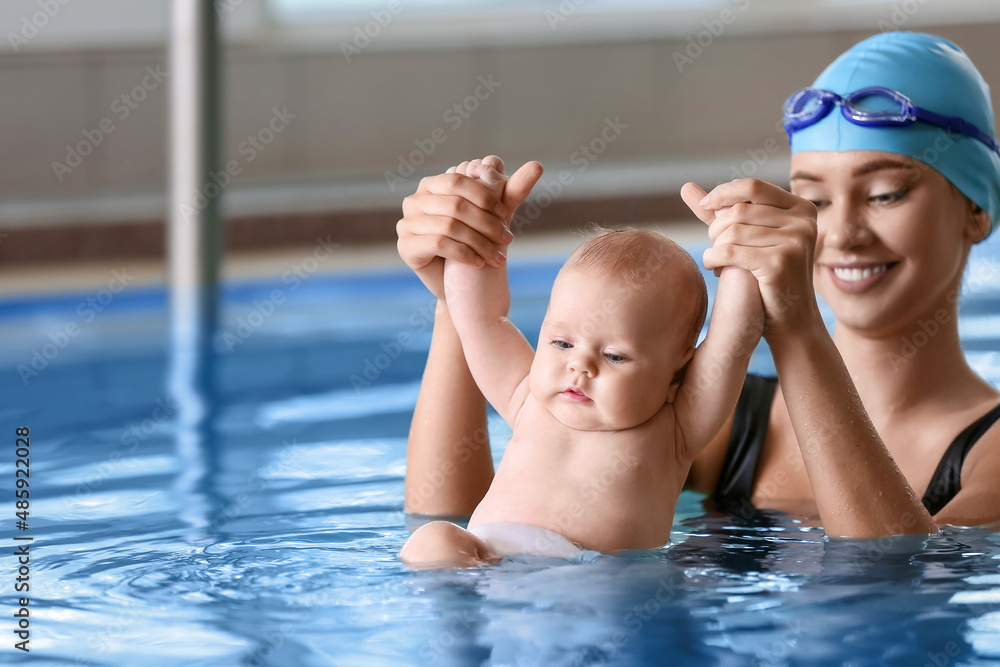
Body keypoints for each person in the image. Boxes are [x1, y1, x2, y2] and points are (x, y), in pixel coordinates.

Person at [396, 32, 1000, 539]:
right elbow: (455, 520)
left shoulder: (989, 453)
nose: (840, 233)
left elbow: (893, 587)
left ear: (978, 209)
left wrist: (795, 323)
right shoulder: (711, 414)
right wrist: (458, 286)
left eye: (886, 193)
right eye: (812, 198)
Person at [399, 159, 762, 568]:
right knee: (434, 541)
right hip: (488, 558)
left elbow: (734, 339)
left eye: (614, 356)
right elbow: (479, 319)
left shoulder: (677, 431)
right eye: (561, 342)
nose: (580, 366)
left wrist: (740, 251)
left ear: (677, 371)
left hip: (597, 577)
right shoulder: (528, 400)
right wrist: (480, 225)